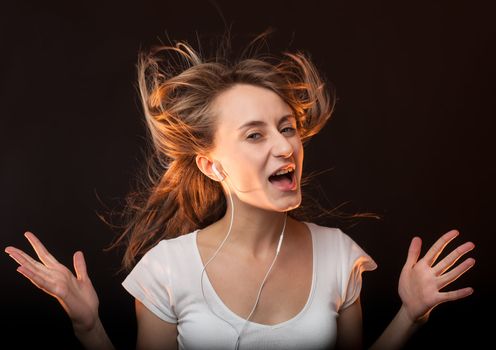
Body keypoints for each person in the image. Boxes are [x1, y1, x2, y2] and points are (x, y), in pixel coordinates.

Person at [5, 35, 475, 350]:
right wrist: (87, 327)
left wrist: (409, 316)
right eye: (254, 135)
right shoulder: (167, 269)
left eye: (286, 128)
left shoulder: (339, 255)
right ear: (211, 165)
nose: (284, 145)